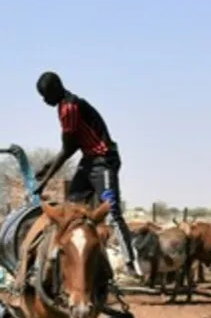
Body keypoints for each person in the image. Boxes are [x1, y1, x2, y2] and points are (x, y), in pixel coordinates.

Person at [34, 71, 143, 277]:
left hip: (103, 161)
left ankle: (131, 261)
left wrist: (46, 179)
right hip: (89, 160)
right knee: (71, 208)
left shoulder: (70, 107)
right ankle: (69, 253)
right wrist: (47, 167)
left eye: (46, 95)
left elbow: (68, 149)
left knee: (112, 210)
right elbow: (73, 145)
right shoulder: (63, 107)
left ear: (56, 88)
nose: (44, 100)